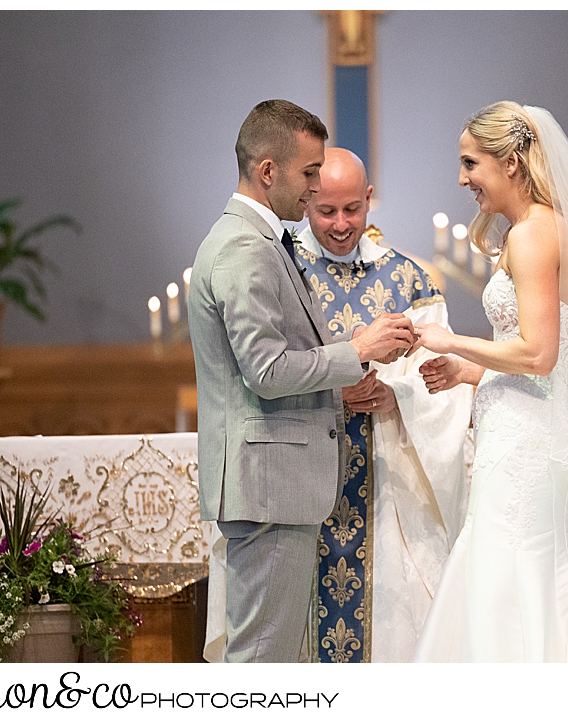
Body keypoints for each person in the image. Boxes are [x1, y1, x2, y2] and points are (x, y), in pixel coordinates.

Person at [204, 147, 474, 663]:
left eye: (352, 209)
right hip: (295, 475)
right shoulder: (280, 268)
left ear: (369, 199)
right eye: (326, 210)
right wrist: (335, 389)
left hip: (384, 481)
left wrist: (398, 396)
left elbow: (443, 379)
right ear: (307, 202)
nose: (340, 223)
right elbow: (262, 367)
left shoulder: (409, 279)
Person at [188, 99, 415, 663]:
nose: (315, 189)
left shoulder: (260, 241)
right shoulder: (245, 246)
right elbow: (265, 371)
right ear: (269, 171)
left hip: (274, 484)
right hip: (269, 485)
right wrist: (356, 350)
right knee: (261, 663)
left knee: (272, 658)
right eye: (309, 173)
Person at [410, 101, 568, 662]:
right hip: (527, 429)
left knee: (506, 573)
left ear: (511, 162)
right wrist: (470, 371)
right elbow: (543, 349)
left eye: (471, 163)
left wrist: (452, 341)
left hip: (525, 441)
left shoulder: (536, 234)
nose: (463, 179)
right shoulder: (539, 230)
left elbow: (538, 353)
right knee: (519, 575)